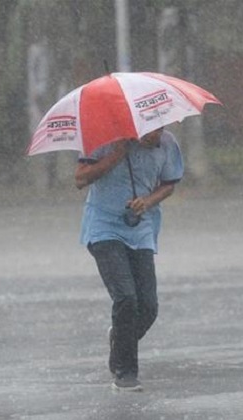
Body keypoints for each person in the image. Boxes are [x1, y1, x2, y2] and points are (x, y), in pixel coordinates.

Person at [74, 127, 183, 391]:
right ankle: (125, 373)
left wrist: (147, 201)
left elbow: (169, 183)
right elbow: (80, 179)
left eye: (159, 131)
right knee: (126, 297)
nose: (154, 138)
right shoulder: (104, 139)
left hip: (141, 228)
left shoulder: (168, 144)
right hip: (104, 227)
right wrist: (116, 155)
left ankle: (120, 336)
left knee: (147, 306)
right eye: (148, 133)